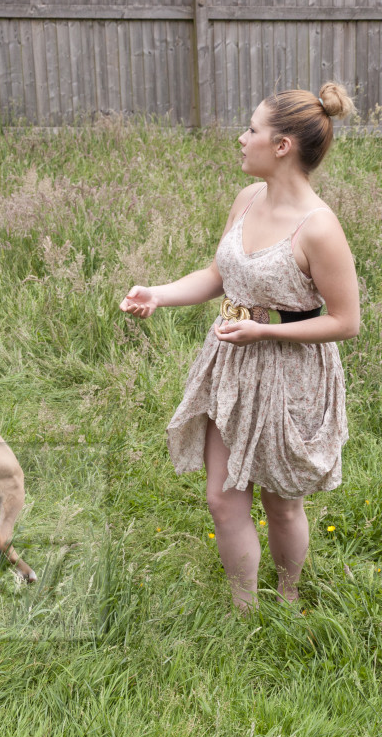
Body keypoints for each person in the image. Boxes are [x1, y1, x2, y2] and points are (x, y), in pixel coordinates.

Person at [120, 82, 360, 611]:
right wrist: (157, 294)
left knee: (281, 504)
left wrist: (266, 330)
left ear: (282, 147)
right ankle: (244, 610)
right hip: (230, 363)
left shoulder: (319, 227)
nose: (241, 137)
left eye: (252, 129)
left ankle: (290, 597)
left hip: (289, 375)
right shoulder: (247, 199)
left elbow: (346, 322)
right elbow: (217, 274)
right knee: (222, 499)